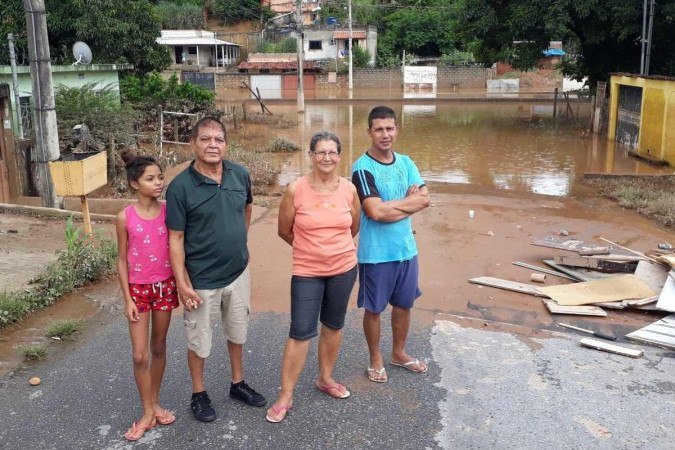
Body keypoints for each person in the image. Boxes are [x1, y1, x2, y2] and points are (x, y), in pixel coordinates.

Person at [166, 117, 266, 423]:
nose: (213, 145)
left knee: (237, 332)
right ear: (192, 143)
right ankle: (199, 393)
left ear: (226, 143)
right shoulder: (180, 187)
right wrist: (182, 283)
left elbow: (247, 208)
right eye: (206, 139)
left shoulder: (240, 174)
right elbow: (176, 239)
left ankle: (238, 383)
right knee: (199, 340)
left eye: (218, 139)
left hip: (237, 272)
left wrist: (239, 243)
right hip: (201, 280)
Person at [266, 131, 360, 423]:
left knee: (333, 325)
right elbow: (284, 230)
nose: (327, 158)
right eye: (321, 152)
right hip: (307, 271)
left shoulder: (349, 189)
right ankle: (285, 395)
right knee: (300, 331)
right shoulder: (296, 189)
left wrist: (333, 251)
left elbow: (353, 226)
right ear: (311, 155)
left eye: (332, 152)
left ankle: (325, 378)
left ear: (340, 156)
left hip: (344, 269)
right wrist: (311, 249)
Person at [351, 106, 430, 383]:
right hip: (376, 254)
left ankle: (398, 353)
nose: (385, 134)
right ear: (369, 132)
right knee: (374, 309)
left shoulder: (406, 163)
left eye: (390, 128)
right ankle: (376, 359)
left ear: (397, 129)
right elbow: (374, 212)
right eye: (379, 129)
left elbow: (425, 199)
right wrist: (409, 204)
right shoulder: (362, 168)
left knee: (404, 305)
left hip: (407, 250)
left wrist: (391, 207)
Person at [115, 154, 177, 442]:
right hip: (137, 290)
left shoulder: (169, 212)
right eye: (150, 178)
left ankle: (154, 404)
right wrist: (127, 298)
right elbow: (122, 261)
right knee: (140, 354)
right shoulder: (124, 217)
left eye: (160, 177)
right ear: (134, 183)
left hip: (165, 286)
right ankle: (146, 409)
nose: (158, 183)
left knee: (159, 346)